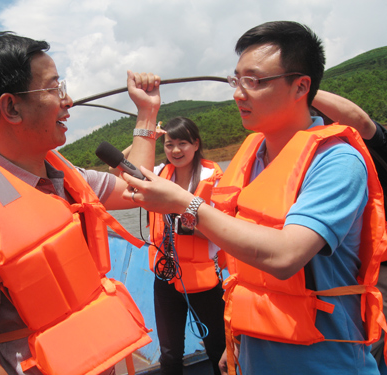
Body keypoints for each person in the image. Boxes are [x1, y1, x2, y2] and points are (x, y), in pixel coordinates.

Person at [120, 21, 387, 375]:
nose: (238, 93)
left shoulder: (336, 160)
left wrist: (185, 204)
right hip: (252, 350)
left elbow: (286, 255)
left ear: (301, 86)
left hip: (325, 360)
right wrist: (237, 338)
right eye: (236, 80)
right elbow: (133, 190)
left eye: (255, 81)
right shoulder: (251, 156)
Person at [0, 31, 161, 375]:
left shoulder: (64, 174)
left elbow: (137, 189)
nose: (67, 101)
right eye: (54, 89)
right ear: (11, 107)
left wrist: (146, 114)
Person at [113, 117, 226, 374]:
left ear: (196, 144)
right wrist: (148, 135)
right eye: (169, 144)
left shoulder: (213, 178)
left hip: (203, 279)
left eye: (183, 143)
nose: (175, 150)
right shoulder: (159, 173)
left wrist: (181, 223)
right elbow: (116, 170)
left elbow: (223, 229)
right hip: (165, 275)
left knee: (217, 347)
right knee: (169, 353)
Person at [312, 90, 387, 372]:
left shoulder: (377, 148)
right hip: (347, 265)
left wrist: (298, 83)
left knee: (374, 334)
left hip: (381, 266)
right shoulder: (323, 163)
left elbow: (360, 120)